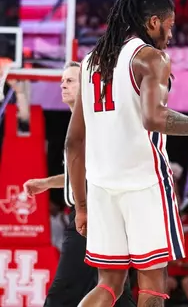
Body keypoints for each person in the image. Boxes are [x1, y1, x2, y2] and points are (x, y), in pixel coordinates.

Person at [64, 0, 188, 307]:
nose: (171, 34)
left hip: (100, 186)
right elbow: (155, 118)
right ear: (153, 22)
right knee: (153, 285)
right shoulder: (150, 57)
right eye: (170, 25)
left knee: (108, 285)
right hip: (144, 182)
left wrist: (81, 205)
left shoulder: (90, 62)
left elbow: (73, 141)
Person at [22, 62, 136, 307]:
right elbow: (81, 173)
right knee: (115, 291)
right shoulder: (80, 122)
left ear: (86, 85)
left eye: (70, 80)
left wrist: (87, 210)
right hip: (94, 214)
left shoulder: (96, 124)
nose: (63, 85)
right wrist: (47, 183)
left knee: (64, 291)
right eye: (62, 81)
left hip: (94, 215)